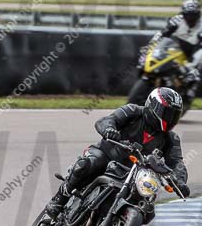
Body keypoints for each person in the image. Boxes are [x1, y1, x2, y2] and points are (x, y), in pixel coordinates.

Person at [46, 87, 191, 218]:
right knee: (87, 164)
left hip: (134, 175)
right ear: (153, 105)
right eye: (166, 113)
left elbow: (177, 162)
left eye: (174, 115)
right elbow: (108, 120)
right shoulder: (133, 111)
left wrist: (180, 181)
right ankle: (60, 199)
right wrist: (109, 129)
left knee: (147, 211)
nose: (170, 118)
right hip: (108, 154)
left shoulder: (171, 139)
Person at [158, 0, 202, 100]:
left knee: (197, 62)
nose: (190, 18)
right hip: (180, 47)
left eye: (193, 15)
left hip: (196, 50)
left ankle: (190, 89)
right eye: (187, 15)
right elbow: (163, 35)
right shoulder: (176, 20)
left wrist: (191, 64)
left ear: (198, 14)